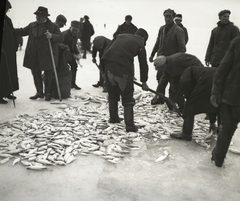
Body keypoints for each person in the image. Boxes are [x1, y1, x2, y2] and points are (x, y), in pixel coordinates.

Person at [101, 28, 149, 132]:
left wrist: (104, 71)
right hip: (123, 70)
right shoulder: (140, 43)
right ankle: (130, 126)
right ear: (143, 38)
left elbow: (106, 51)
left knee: (113, 94)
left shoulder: (120, 36)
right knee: (127, 98)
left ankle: (113, 118)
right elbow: (143, 64)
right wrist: (144, 82)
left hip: (108, 67)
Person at [15, 6, 63, 101]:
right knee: (36, 73)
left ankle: (48, 93)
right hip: (34, 54)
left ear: (45, 16)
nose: (37, 17)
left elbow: (61, 37)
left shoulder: (53, 26)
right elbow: (22, 31)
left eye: (40, 16)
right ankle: (39, 92)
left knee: (48, 74)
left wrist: (52, 36)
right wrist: (9, 29)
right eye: (37, 15)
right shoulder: (32, 25)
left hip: (48, 55)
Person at [162, 66, 219, 141]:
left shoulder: (186, 72)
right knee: (213, 103)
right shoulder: (195, 69)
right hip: (219, 79)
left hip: (206, 80)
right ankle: (213, 124)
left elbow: (185, 83)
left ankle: (186, 134)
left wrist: (188, 97)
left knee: (189, 107)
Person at [210, 36, 240, 167]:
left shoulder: (237, 42)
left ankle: (218, 159)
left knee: (226, 128)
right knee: (227, 128)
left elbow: (223, 68)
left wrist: (215, 91)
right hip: (234, 94)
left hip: (233, 95)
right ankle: (218, 158)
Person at [149, 8, 186, 105]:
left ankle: (174, 102)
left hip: (172, 62)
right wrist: (152, 54)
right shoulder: (162, 29)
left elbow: (182, 49)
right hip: (161, 60)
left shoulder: (178, 30)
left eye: (170, 16)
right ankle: (160, 98)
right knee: (160, 79)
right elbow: (158, 42)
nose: (167, 19)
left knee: (174, 83)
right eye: (166, 16)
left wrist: (178, 62)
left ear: (173, 17)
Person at [0, 0, 19, 104]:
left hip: (9, 50)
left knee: (10, 71)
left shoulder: (8, 20)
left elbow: (13, 32)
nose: (7, 11)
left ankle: (7, 91)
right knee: (2, 72)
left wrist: (15, 45)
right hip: (3, 50)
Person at [62, 20, 82, 90]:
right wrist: (74, 56)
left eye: (76, 31)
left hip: (70, 54)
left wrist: (78, 53)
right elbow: (64, 49)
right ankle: (64, 85)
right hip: (62, 55)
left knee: (74, 66)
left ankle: (72, 84)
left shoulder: (75, 36)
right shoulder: (65, 35)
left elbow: (73, 46)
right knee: (63, 69)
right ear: (70, 27)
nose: (75, 32)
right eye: (73, 30)